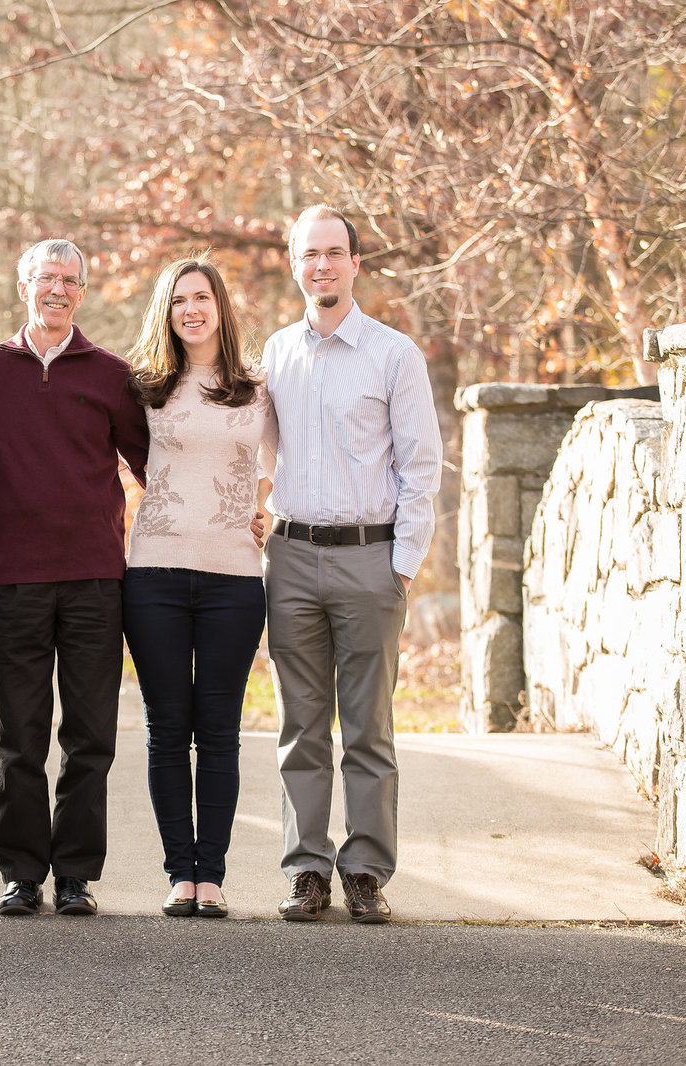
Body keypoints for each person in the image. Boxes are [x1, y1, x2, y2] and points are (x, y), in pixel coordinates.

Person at [263, 205, 442, 924]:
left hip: (371, 557)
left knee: (368, 725)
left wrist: (402, 565)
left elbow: (421, 466)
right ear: (294, 263)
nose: (322, 266)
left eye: (334, 253)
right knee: (300, 726)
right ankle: (307, 867)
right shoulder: (274, 354)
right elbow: (253, 453)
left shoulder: (393, 355)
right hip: (292, 556)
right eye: (310, 254)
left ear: (355, 263)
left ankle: (366, 867)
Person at [0, 238, 149, 917]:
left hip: (97, 579)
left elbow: (152, 464)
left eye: (71, 281)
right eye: (47, 279)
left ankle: (74, 875)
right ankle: (20, 874)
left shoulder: (111, 375)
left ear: (83, 292)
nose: (58, 291)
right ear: (24, 287)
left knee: (90, 735)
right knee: (20, 736)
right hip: (14, 580)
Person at [123, 257, 276, 919]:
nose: (191, 309)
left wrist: (266, 504)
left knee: (218, 731)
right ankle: (177, 873)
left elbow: (288, 458)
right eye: (180, 299)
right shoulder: (145, 386)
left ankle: (209, 876)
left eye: (202, 297)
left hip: (234, 578)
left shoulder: (258, 385)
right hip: (153, 571)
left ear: (220, 307)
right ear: (167, 310)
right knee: (166, 729)